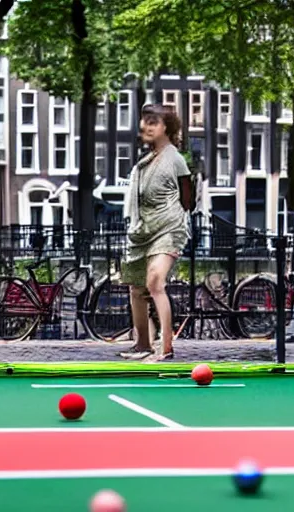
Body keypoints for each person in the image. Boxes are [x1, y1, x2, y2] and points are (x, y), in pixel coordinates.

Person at [120, 104, 194, 361]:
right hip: (143, 231)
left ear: (167, 128)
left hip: (168, 230)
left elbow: (188, 198)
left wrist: (172, 213)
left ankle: (167, 347)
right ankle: (142, 344)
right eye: (145, 122)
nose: (146, 127)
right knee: (136, 287)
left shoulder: (174, 158)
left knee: (154, 282)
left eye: (153, 122)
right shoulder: (146, 162)